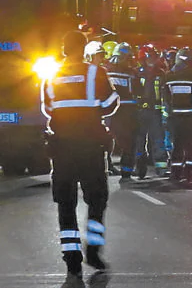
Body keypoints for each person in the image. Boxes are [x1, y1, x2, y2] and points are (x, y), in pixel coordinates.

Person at [41, 31, 119, 278]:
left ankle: (71, 259)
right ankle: (93, 251)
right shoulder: (97, 73)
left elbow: (47, 108)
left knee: (65, 203)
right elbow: (111, 103)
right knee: (97, 201)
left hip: (62, 148)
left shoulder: (51, 76)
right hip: (90, 148)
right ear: (84, 49)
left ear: (64, 49)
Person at [163, 48, 192, 182]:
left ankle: (175, 173)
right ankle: (190, 173)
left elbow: (166, 99)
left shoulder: (169, 78)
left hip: (175, 118)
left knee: (177, 146)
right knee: (191, 145)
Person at [105, 42, 141, 181]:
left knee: (106, 140)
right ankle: (126, 171)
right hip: (127, 112)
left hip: (109, 111)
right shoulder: (132, 73)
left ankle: (107, 166)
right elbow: (138, 91)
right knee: (128, 143)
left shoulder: (106, 70)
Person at [135, 44, 168, 176]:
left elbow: (165, 93)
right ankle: (139, 167)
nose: (152, 60)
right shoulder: (136, 73)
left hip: (156, 112)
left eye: (154, 57)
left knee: (158, 140)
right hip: (141, 112)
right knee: (139, 141)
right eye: (150, 57)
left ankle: (161, 167)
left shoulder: (161, 73)